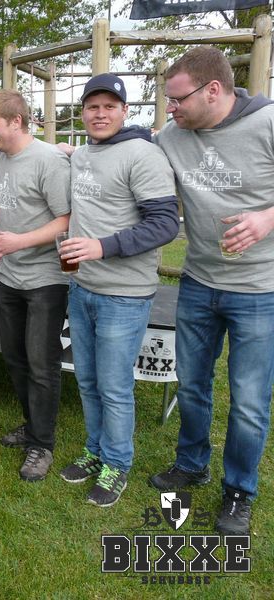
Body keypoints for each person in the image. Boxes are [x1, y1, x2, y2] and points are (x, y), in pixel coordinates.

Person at [148, 46, 274, 535]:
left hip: (260, 290)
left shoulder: (267, 123)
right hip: (199, 283)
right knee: (191, 384)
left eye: (177, 99)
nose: (170, 108)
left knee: (248, 399)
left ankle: (239, 490)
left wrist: (266, 218)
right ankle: (191, 463)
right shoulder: (173, 135)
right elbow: (128, 149)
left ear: (213, 90)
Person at [58, 73, 179, 507]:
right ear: (82, 112)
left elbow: (164, 224)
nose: (100, 114)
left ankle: (116, 465)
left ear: (125, 111)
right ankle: (95, 451)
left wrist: (102, 246)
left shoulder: (143, 155)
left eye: (110, 106)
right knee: (88, 381)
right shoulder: (84, 154)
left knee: (113, 386)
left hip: (124, 295)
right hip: (83, 287)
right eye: (93, 106)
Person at [0, 90, 71, 481]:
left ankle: (42, 445)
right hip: (10, 275)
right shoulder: (1, 157)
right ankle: (32, 424)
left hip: (46, 278)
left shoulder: (49, 160)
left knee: (41, 364)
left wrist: (18, 241)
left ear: (16, 121)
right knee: (15, 359)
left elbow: (67, 219)